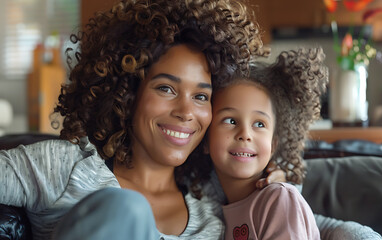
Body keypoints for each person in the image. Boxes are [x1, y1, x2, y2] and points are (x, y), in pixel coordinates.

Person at [0, 0, 271, 239]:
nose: (186, 112)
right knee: (127, 208)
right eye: (166, 88)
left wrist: (278, 185)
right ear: (128, 93)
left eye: (201, 96)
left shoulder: (215, 195)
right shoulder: (65, 167)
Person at [200, 48, 325, 239]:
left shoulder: (279, 199)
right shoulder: (213, 210)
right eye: (230, 121)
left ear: (273, 145)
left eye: (259, 124)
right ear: (205, 140)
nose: (245, 134)